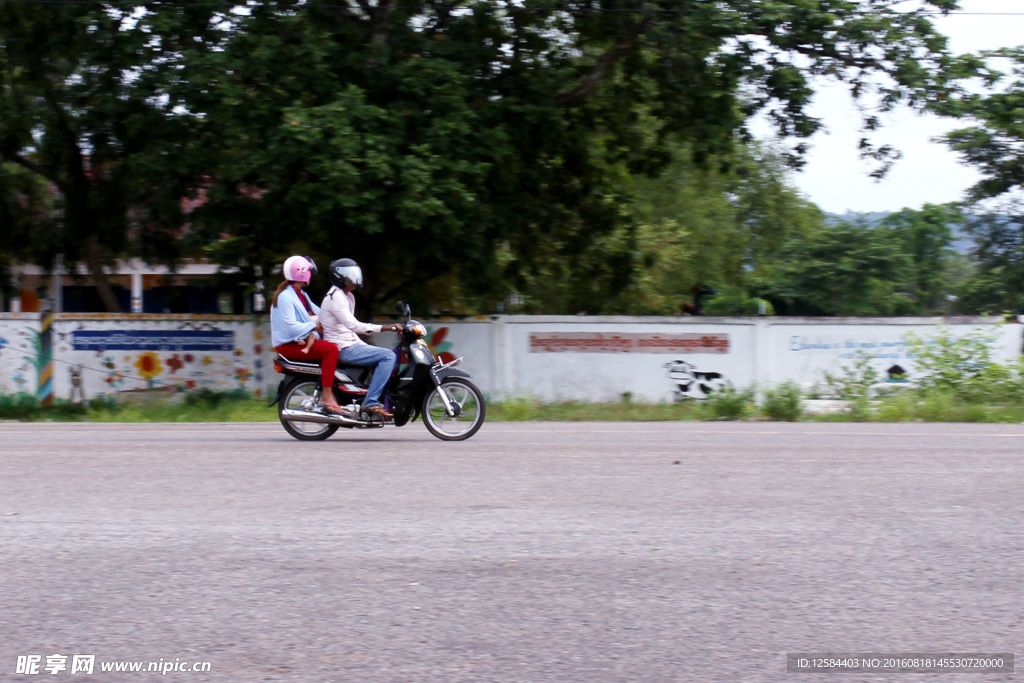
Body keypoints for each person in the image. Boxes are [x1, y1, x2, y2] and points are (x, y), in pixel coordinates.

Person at [319, 258, 403, 419]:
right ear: (339, 277)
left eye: (354, 275)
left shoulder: (347, 296)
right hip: (342, 348)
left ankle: (373, 398)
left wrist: (364, 345)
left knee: (384, 355)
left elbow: (350, 332)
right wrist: (388, 328)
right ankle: (371, 402)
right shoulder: (336, 297)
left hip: (349, 343)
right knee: (388, 356)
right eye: (350, 275)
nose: (354, 279)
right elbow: (354, 326)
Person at [269, 255, 345, 415]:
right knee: (331, 349)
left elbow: (321, 313)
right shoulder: (285, 297)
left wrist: (340, 318)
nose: (311, 275)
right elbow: (290, 327)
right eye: (309, 272)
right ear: (302, 273)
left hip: (298, 341)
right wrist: (314, 325)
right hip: (288, 345)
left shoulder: (300, 295)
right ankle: (327, 396)